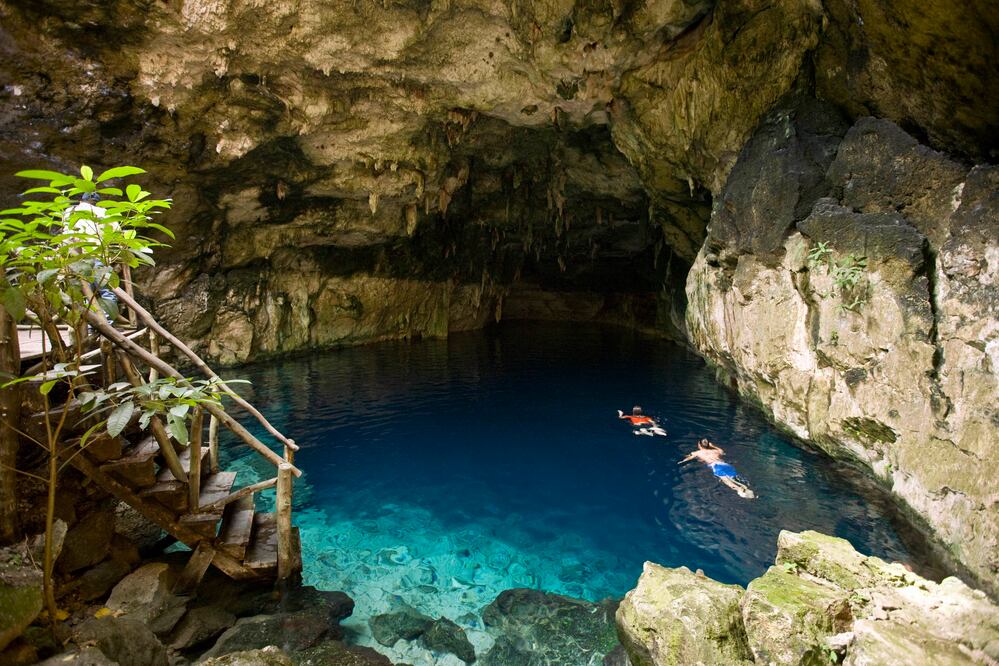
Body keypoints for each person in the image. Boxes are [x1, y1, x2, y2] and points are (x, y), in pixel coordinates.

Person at [678, 439, 755, 498]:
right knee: (736, 477)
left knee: (729, 483)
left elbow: (688, 458)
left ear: (699, 445)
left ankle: (742, 492)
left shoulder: (697, 453)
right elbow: (723, 452)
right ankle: (747, 485)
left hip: (716, 467)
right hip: (726, 465)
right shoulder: (716, 450)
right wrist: (713, 446)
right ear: (709, 445)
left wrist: (681, 461)